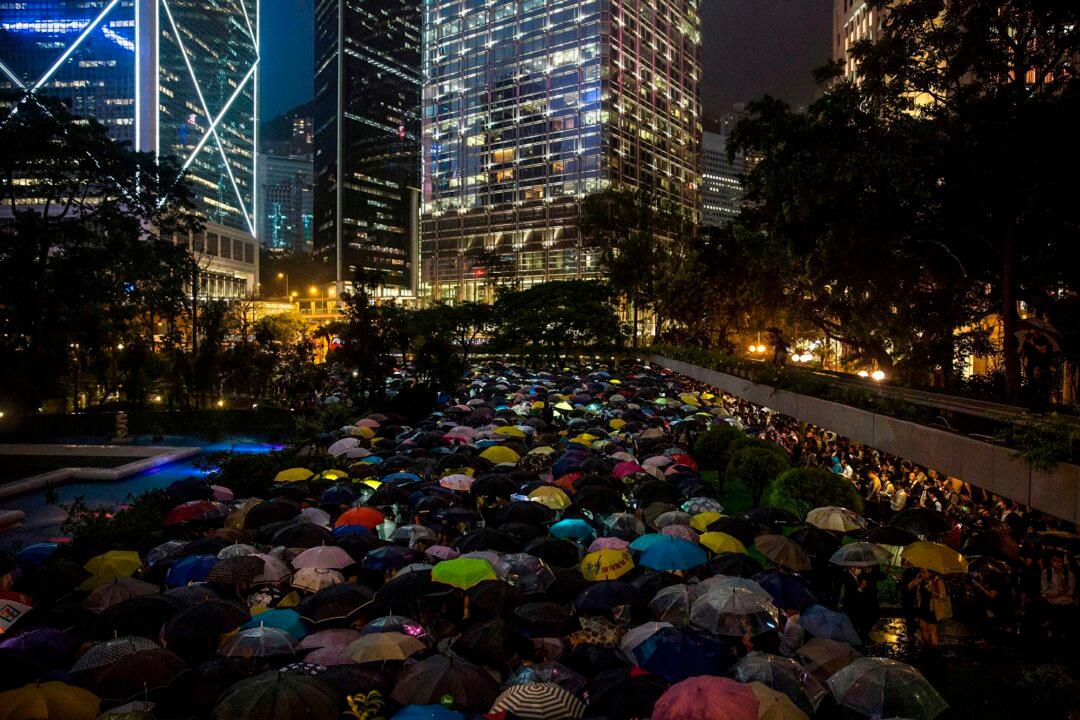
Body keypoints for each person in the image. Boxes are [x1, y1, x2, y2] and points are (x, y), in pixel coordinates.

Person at [909, 569, 950, 648]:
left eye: (924, 572)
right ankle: (927, 647)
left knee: (932, 631)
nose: (922, 574)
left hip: (932, 610)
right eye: (921, 571)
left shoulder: (938, 581)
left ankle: (934, 650)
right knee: (923, 629)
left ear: (930, 573)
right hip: (922, 608)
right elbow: (910, 587)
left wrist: (932, 591)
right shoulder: (921, 580)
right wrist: (916, 579)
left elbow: (943, 597)